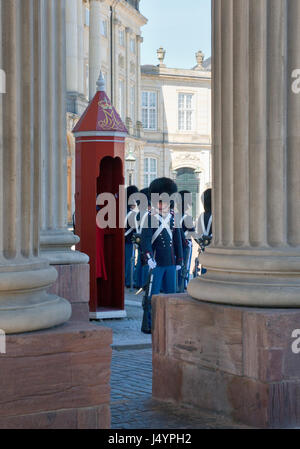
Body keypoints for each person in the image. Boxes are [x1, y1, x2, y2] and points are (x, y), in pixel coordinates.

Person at [140, 177, 183, 298]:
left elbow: (177, 241)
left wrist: (179, 259)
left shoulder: (174, 217)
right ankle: (150, 317)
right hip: (156, 261)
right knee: (152, 296)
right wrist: (148, 257)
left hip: (170, 261)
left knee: (171, 295)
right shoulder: (150, 218)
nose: (160, 204)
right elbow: (145, 240)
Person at [176, 190, 195, 291]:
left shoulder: (175, 215)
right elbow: (193, 232)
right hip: (186, 244)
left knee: (178, 264)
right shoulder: (187, 217)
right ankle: (183, 284)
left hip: (176, 244)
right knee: (185, 265)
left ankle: (178, 283)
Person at [124, 185, 139, 288]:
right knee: (128, 261)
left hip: (124, 239)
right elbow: (135, 227)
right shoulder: (131, 213)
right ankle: (128, 281)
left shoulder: (123, 210)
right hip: (128, 240)